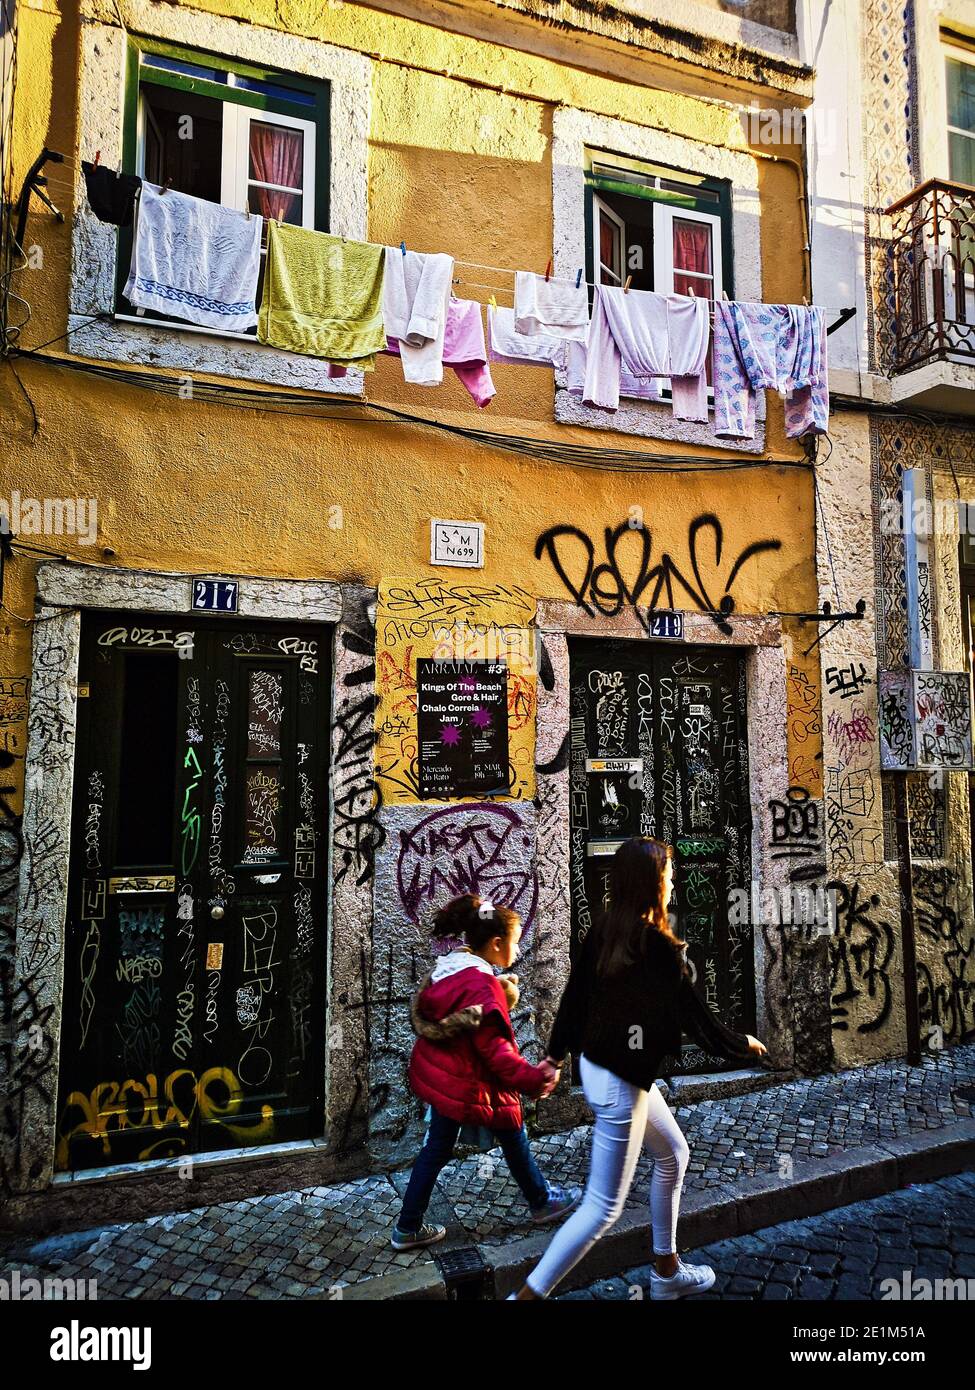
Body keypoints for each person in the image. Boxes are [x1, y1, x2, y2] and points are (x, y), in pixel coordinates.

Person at [508, 836, 768, 1300]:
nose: (673, 882)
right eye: (668, 874)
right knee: (601, 1207)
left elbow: (574, 1000)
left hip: (601, 1070)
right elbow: (696, 1018)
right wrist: (743, 1048)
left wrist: (553, 1055)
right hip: (622, 1083)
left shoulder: (605, 929)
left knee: (673, 1154)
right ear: (651, 882)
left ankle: (666, 1274)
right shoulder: (658, 947)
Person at [390, 892, 582, 1249]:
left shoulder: (451, 968)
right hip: (467, 1082)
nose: (518, 952)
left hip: (448, 1079)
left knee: (458, 1143)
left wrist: (499, 991)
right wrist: (536, 1079)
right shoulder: (483, 988)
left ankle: (408, 1226)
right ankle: (540, 1202)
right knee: (506, 1132)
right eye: (515, 942)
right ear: (496, 944)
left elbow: (466, 1016)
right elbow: (499, 1056)